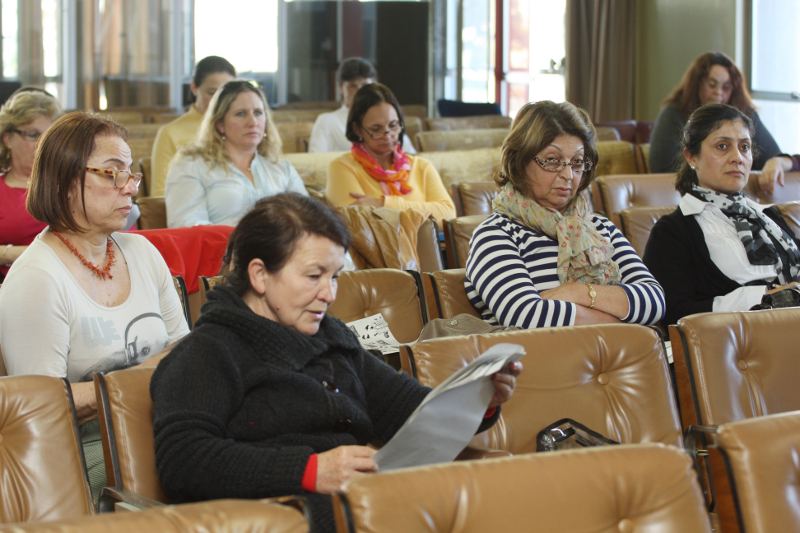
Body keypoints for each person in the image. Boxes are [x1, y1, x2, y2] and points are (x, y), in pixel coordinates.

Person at [150, 193, 521, 532]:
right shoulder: (207, 352)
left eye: (335, 277)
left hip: (362, 509)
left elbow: (406, 408)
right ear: (260, 275)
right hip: (283, 520)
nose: (329, 294)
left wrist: (476, 399)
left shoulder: (332, 336)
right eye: (314, 276)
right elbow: (183, 460)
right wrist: (309, 470)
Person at [0, 111, 190, 501]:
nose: (130, 187)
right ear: (65, 182)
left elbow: (188, 354)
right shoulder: (36, 278)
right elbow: (42, 409)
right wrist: (148, 375)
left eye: (131, 174)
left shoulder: (142, 251)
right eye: (112, 173)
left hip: (170, 428)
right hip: (91, 456)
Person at [465, 101, 665, 329]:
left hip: (616, 352)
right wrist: (624, 322)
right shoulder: (495, 235)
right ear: (520, 162)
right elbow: (528, 317)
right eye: (552, 160)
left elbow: (654, 301)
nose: (569, 174)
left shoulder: (600, 227)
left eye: (577, 162)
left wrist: (577, 292)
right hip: (540, 353)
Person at [643, 103, 800, 325]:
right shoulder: (672, 231)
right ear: (692, 157)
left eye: (744, 147)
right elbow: (674, 314)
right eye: (722, 146)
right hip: (742, 342)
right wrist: (766, 297)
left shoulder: (768, 216)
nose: (737, 157)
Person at [165, 79, 307, 228]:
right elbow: (187, 226)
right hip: (221, 243)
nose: (253, 122)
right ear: (220, 124)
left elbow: (306, 219)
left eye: (258, 113)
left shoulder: (282, 168)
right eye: (241, 114)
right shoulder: (191, 166)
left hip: (281, 243)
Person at [325, 83, 455, 225]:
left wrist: (382, 204)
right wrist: (421, 212)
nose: (387, 136)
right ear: (357, 129)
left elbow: (448, 214)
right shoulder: (342, 167)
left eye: (393, 126)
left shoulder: (421, 166)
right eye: (376, 129)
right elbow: (358, 222)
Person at [649, 52, 781, 177]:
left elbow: (774, 156)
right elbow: (662, 169)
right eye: (712, 85)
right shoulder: (673, 113)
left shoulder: (745, 117)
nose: (718, 92)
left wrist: (778, 162)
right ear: (697, 85)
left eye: (726, 87)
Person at [150, 56, 236, 196]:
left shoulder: (239, 129)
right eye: (212, 92)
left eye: (227, 93)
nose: (220, 100)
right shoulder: (170, 133)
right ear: (194, 88)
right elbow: (159, 194)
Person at [0, 88, 62, 279]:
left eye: (48, 135)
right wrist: (13, 253)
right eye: (33, 134)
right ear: (8, 139)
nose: (42, 143)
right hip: (12, 281)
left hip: (70, 279)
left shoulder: (69, 185)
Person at [307, 57, 416, 154]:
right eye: (352, 86)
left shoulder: (387, 118)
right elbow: (315, 160)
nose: (360, 92)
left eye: (365, 85)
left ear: (375, 85)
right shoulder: (327, 121)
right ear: (341, 87)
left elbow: (409, 154)